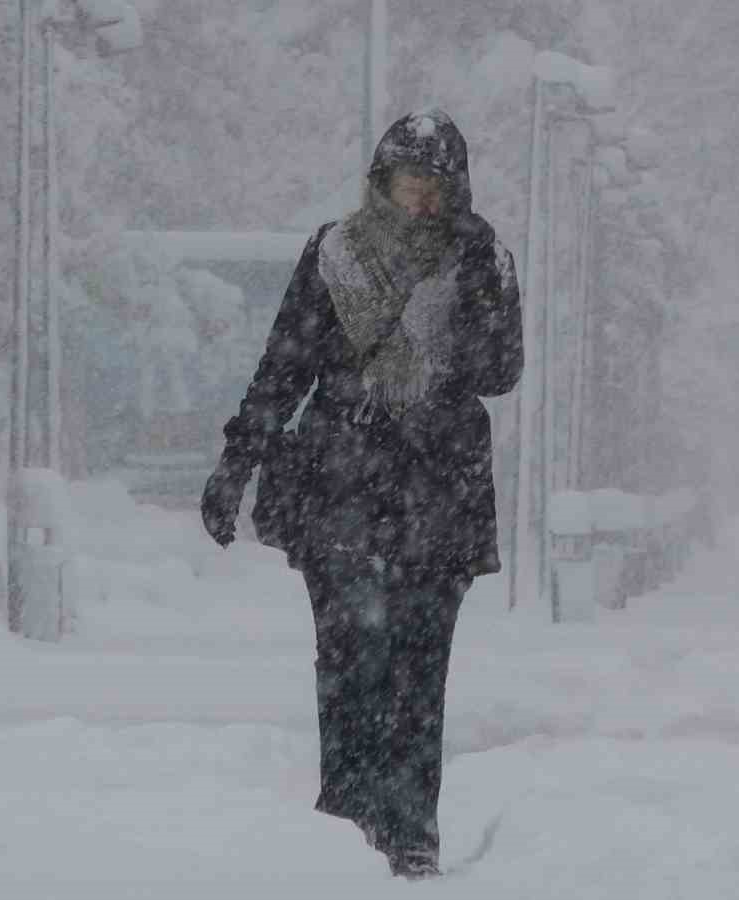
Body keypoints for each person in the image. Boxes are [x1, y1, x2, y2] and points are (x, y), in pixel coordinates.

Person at [200, 111, 521, 879]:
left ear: (457, 190)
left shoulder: (484, 257)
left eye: (435, 187)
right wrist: (236, 462)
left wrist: (469, 297)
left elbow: (501, 372)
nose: (421, 200)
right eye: (408, 183)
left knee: (416, 673)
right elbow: (286, 363)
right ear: (382, 182)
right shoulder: (334, 252)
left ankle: (411, 831)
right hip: (340, 484)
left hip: (439, 492)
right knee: (348, 667)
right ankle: (345, 829)